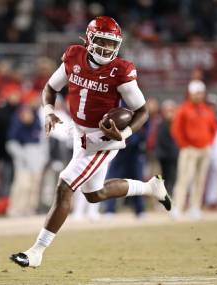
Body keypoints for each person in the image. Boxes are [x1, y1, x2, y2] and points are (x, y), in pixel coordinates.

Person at [10, 16, 171, 268]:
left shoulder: (121, 71)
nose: (106, 49)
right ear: (88, 39)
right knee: (95, 194)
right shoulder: (74, 57)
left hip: (103, 138)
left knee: (65, 185)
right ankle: (151, 188)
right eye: (102, 42)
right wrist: (50, 111)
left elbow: (141, 112)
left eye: (111, 44)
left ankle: (37, 251)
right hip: (79, 133)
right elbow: (50, 89)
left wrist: (125, 134)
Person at [171, 80, 217, 219]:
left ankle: (195, 207)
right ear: (191, 93)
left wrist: (209, 143)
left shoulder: (207, 110)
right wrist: (184, 144)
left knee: (200, 180)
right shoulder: (184, 109)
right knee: (184, 179)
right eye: (197, 93)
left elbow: (213, 129)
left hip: (205, 149)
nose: (199, 95)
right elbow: (176, 129)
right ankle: (178, 207)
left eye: (201, 93)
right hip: (189, 149)